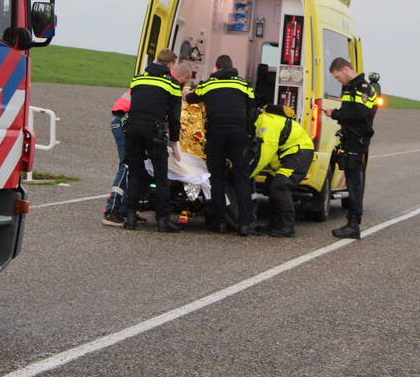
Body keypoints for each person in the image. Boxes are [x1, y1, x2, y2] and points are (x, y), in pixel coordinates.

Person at [185, 55, 256, 235]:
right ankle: (245, 224)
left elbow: (192, 99)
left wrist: (187, 93)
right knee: (242, 177)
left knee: (217, 178)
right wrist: (249, 133)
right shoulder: (245, 85)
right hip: (239, 134)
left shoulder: (208, 84)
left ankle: (221, 222)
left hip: (216, 134)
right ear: (232, 67)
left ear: (216, 68)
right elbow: (252, 109)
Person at [123, 49, 185, 233]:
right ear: (171, 65)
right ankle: (162, 221)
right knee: (160, 177)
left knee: (135, 173)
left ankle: (131, 217)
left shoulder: (138, 78)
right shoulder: (172, 83)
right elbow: (174, 117)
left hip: (132, 129)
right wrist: (175, 143)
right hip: (154, 131)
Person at [323, 57, 378, 240]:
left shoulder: (361, 87)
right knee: (351, 179)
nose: (338, 80)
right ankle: (351, 222)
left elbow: (360, 113)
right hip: (352, 137)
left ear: (346, 69)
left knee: (354, 182)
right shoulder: (351, 87)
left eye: (338, 77)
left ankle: (354, 224)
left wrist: (336, 114)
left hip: (357, 138)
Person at [249, 105, 315, 238]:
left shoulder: (266, 124)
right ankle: (275, 224)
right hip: (288, 156)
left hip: (298, 154)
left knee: (280, 186)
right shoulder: (263, 120)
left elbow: (264, 154)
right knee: (271, 186)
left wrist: (250, 175)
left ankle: (287, 227)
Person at [101, 88, 133, 227]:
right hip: (123, 123)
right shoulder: (165, 84)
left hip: (121, 121)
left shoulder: (145, 81)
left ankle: (125, 208)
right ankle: (112, 210)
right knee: (127, 165)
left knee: (132, 165)